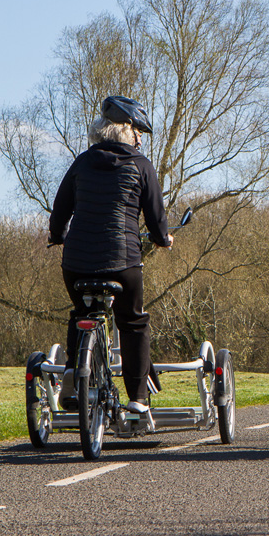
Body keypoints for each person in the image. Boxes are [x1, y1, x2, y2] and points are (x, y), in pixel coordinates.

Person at [49, 95, 172, 414]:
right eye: (138, 130)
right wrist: (163, 240)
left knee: (81, 315)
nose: (141, 137)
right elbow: (156, 219)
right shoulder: (141, 165)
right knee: (132, 322)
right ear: (125, 129)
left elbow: (60, 210)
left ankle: (71, 378)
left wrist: (57, 237)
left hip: (76, 263)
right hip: (123, 261)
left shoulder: (82, 162)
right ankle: (138, 399)